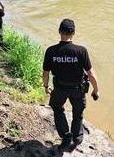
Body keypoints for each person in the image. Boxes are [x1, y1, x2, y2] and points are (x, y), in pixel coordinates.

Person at [42, 19, 100, 150]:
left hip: (60, 88)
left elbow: (45, 73)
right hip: (78, 89)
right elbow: (91, 73)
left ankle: (65, 134)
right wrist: (96, 90)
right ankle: (77, 137)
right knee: (78, 113)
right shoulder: (81, 51)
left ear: (59, 32)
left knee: (57, 108)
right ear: (73, 32)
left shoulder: (51, 51)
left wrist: (46, 87)